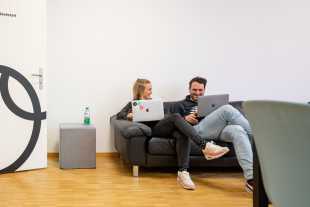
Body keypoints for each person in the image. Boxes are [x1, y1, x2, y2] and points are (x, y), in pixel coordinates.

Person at [116, 78, 230, 190]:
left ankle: (183, 173)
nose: (151, 91)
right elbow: (119, 115)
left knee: (181, 133)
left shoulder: (154, 102)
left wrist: (164, 116)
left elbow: (163, 116)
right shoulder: (132, 104)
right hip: (154, 130)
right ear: (140, 90)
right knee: (176, 116)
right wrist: (130, 115)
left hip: (163, 125)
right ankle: (205, 146)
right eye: (149, 89)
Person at [176, 76, 254, 192]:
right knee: (227, 109)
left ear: (204, 90)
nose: (197, 93)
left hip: (217, 130)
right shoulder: (181, 105)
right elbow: (174, 122)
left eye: (200, 90)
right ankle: (258, 137)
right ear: (189, 89)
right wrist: (185, 118)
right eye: (194, 90)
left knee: (238, 130)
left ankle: (251, 179)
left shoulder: (210, 102)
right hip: (196, 131)